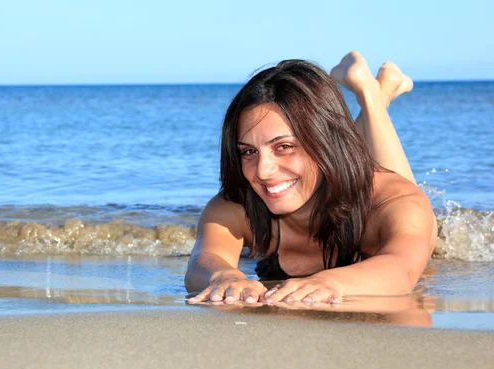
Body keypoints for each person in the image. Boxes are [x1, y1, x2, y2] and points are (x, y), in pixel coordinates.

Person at [185, 51, 437, 305]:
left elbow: (402, 269)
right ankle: (379, 89)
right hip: (334, 159)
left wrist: (330, 282)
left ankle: (371, 96)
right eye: (249, 151)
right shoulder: (237, 205)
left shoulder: (396, 201)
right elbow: (203, 261)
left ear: (326, 142)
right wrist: (223, 276)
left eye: (283, 146)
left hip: (369, 193)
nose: (262, 171)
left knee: (386, 179)